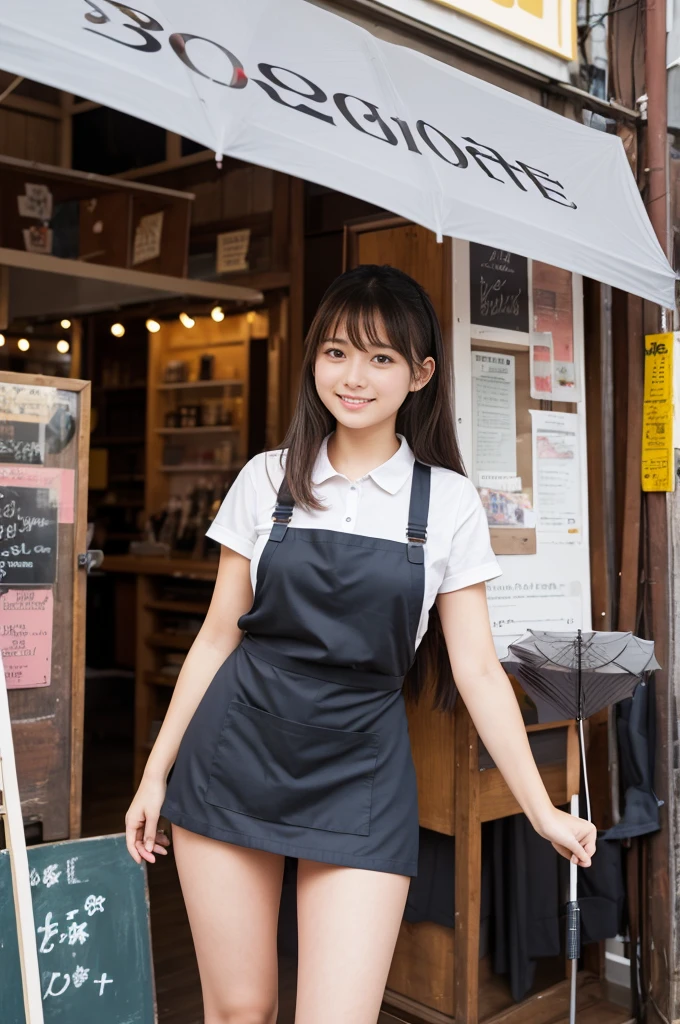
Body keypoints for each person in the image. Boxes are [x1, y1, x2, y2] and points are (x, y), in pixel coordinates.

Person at [125, 264, 597, 1024]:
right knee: (239, 1010)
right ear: (313, 359)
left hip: (361, 770)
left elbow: (476, 668)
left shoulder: (446, 502)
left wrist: (541, 810)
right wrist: (155, 776)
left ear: (420, 374)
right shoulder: (266, 480)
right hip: (233, 752)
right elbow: (216, 640)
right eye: (337, 352)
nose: (354, 376)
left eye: (381, 358)